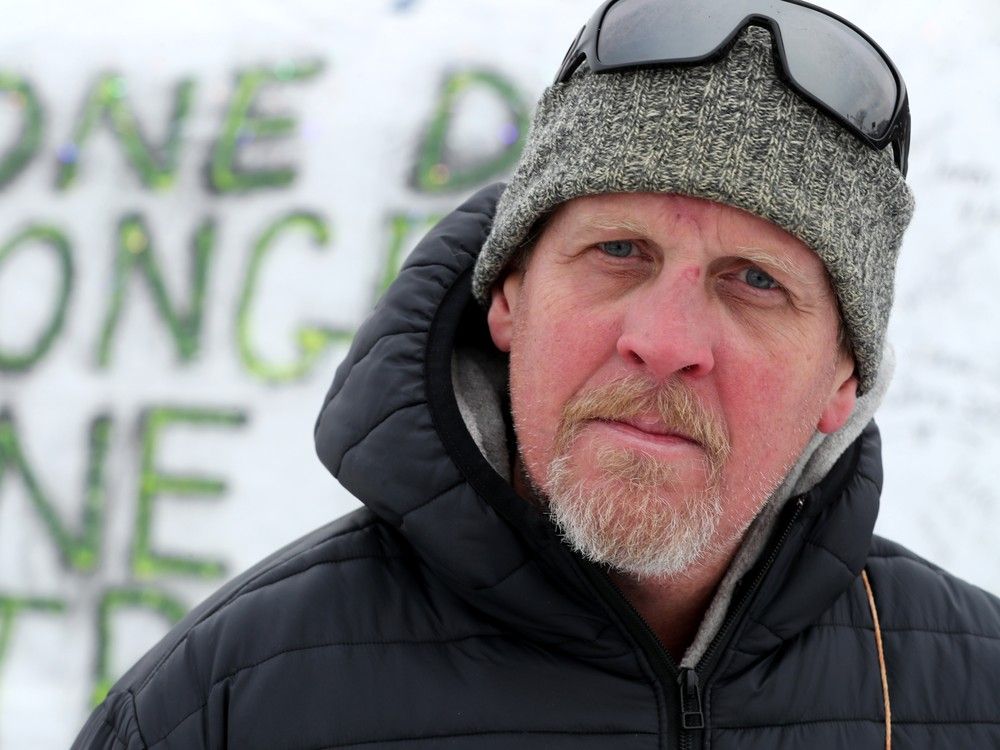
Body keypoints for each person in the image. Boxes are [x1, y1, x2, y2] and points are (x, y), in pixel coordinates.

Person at [74, 1, 1000, 748]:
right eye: (619, 251)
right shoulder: (228, 705)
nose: (666, 339)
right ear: (509, 297)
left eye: (756, 282)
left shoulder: (974, 694)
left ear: (847, 377)